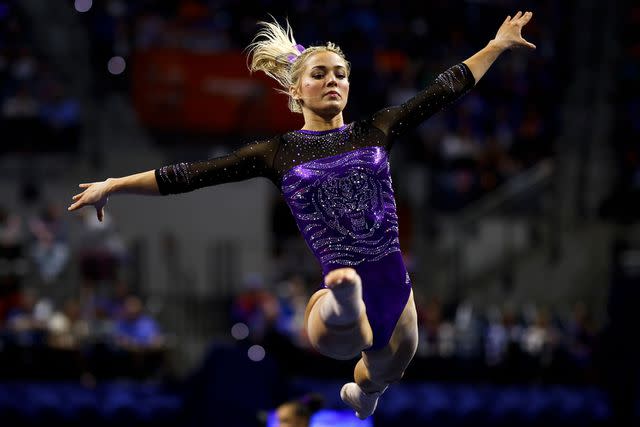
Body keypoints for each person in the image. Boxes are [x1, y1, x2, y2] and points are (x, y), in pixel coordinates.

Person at [68, 11, 536, 419]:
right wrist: (115, 184)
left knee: (387, 366)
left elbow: (443, 89)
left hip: (396, 288)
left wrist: (495, 45)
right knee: (347, 326)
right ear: (296, 89)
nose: (331, 80)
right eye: (318, 74)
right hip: (335, 288)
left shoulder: (377, 128)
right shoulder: (279, 152)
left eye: (339, 73)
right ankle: (345, 300)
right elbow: (190, 174)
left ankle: (365, 393)